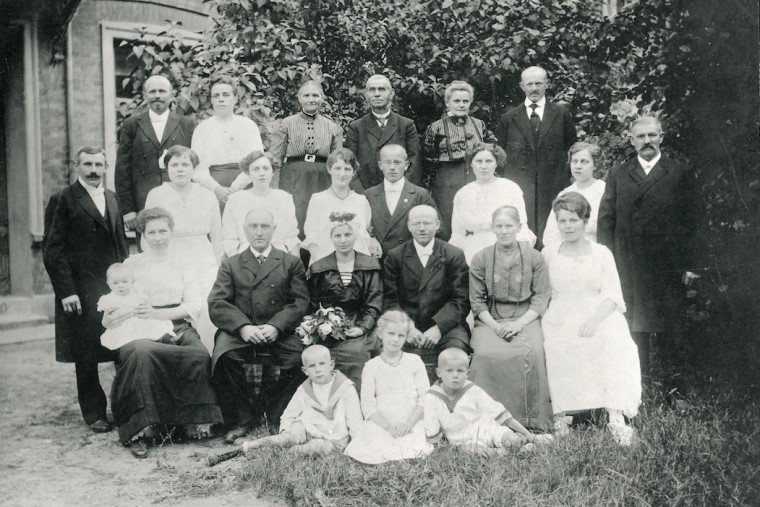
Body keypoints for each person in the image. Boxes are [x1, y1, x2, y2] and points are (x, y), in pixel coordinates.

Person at [104, 207, 223, 459]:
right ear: (143, 236)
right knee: (142, 352)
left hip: (176, 322)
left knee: (198, 354)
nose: (157, 237)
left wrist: (159, 315)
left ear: (171, 232)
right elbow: (117, 299)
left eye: (162, 231)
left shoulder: (183, 262)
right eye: (151, 232)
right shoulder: (131, 263)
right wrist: (117, 315)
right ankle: (144, 426)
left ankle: (190, 422)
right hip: (138, 324)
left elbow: (193, 305)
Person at [597, 117, 698, 386]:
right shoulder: (619, 173)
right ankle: (635, 383)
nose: (647, 141)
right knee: (632, 325)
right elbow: (606, 219)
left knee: (671, 325)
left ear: (661, 137)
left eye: (652, 135)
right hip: (628, 262)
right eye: (641, 137)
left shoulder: (679, 171)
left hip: (668, 263)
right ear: (632, 140)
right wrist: (604, 262)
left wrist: (691, 264)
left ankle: (674, 385)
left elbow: (693, 221)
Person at [542, 192, 641, 445]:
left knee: (612, 340)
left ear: (585, 221)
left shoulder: (601, 253)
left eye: (573, 220)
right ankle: (563, 415)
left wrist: (594, 321)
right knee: (558, 343)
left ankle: (615, 415)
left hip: (599, 312)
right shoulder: (549, 253)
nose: (568, 226)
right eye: (562, 221)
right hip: (561, 312)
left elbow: (612, 295)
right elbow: (542, 293)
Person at [42, 146, 129, 433]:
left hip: (112, 288)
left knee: (121, 346)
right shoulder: (63, 200)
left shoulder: (113, 198)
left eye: (99, 164)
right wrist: (66, 290)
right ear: (76, 166)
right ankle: (94, 413)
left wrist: (127, 282)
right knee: (86, 353)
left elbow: (121, 246)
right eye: (88, 164)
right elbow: (53, 250)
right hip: (79, 289)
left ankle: (126, 408)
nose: (93, 169)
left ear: (106, 167)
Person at [209, 209, 311, 443]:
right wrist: (243, 327)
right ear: (245, 230)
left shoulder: (291, 262)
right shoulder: (231, 264)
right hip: (242, 330)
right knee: (225, 357)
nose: (259, 232)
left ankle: (276, 413)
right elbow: (217, 302)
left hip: (280, 330)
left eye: (265, 226)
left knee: (298, 359)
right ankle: (244, 418)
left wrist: (276, 326)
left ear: (274, 230)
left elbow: (301, 301)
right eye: (253, 226)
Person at [468, 205, 553, 431]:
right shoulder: (481, 258)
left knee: (533, 352)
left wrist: (519, 324)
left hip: (526, 317)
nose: (504, 231)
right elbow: (476, 301)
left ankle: (531, 420)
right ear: (492, 228)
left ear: (519, 227)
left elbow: (541, 297)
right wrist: (495, 327)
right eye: (499, 226)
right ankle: (484, 421)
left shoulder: (535, 257)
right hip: (490, 318)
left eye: (509, 226)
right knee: (484, 354)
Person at [144, 145, 222, 352]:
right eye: (174, 164)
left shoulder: (207, 195)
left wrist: (219, 266)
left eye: (185, 164)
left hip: (203, 259)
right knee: (174, 309)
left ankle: (208, 360)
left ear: (194, 168)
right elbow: (148, 232)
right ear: (167, 168)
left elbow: (217, 235)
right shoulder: (156, 194)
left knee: (207, 308)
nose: (180, 169)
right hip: (169, 257)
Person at [236, 345, 363, 456]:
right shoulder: (304, 389)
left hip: (332, 438)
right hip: (307, 429)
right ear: (305, 371)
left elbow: (355, 421)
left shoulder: (345, 388)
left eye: (322, 364)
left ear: (331, 365)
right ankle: (250, 445)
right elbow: (289, 413)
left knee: (316, 448)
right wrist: (286, 431)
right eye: (312, 366)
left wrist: (357, 445)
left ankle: (288, 450)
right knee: (289, 436)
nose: (318, 370)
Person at [497, 66, 577, 240]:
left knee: (553, 237)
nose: (534, 88)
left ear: (546, 84)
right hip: (521, 190)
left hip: (553, 188)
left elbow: (573, 152)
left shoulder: (562, 115)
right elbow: (501, 160)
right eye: (529, 84)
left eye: (538, 83)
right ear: (521, 86)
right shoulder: (508, 119)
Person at [344, 310, 433, 464]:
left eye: (401, 335)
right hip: (382, 421)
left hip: (410, 419)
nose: (395, 339)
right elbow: (367, 405)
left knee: (411, 445)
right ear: (380, 333)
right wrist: (388, 427)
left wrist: (409, 423)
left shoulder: (414, 361)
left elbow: (425, 397)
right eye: (391, 333)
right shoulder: (371, 366)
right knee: (373, 445)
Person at [424, 349, 552, 454]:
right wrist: (440, 448)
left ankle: (525, 440)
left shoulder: (473, 390)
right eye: (449, 370)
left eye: (460, 371)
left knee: (510, 439)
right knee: (471, 450)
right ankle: (508, 453)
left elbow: (500, 413)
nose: (455, 375)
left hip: (487, 429)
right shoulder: (432, 397)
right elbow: (432, 428)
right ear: (438, 372)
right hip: (463, 439)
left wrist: (530, 435)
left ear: (468, 373)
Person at [383, 205, 470, 353]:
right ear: (409, 226)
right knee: (386, 350)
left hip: (447, 327)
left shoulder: (453, 254)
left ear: (437, 225)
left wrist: (438, 328)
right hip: (406, 326)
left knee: (456, 351)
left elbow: (461, 300)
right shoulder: (395, 256)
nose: (422, 228)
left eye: (427, 223)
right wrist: (407, 328)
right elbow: (390, 300)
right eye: (416, 223)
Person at [307, 219, 382, 388]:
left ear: (355, 236)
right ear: (331, 238)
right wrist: (322, 324)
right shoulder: (319, 268)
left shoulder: (370, 266)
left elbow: (374, 301)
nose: (343, 240)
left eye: (347, 234)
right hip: (327, 326)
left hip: (361, 322)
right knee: (322, 356)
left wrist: (362, 327)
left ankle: (357, 405)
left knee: (357, 354)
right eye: (338, 235)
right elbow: (313, 303)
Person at [115, 75, 195, 231]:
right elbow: (122, 170)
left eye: (162, 91)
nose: (157, 95)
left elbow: (196, 166)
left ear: (171, 95)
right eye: (152, 91)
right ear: (145, 96)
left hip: (180, 199)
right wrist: (128, 209)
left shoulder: (186, 124)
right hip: (143, 203)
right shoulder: (131, 125)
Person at [422, 80, 499, 236]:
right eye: (456, 101)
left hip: (474, 176)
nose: (461, 105)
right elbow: (428, 157)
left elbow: (491, 149)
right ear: (448, 103)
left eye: (465, 101)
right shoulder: (436, 127)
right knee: (449, 219)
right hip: (447, 179)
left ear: (470, 103)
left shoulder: (479, 124)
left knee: (477, 219)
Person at [269, 80, 343, 236]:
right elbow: (275, 160)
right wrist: (274, 191)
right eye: (306, 95)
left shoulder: (333, 127)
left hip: (322, 177)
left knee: (322, 222)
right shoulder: (286, 124)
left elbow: (338, 163)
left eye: (315, 95)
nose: (311, 99)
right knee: (296, 220)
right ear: (299, 98)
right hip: (294, 177)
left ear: (322, 98)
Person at [449, 143, 536, 263]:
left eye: (489, 161)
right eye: (479, 161)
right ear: (471, 164)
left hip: (507, 248)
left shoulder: (510, 188)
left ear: (496, 163)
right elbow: (458, 232)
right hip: (474, 251)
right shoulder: (463, 194)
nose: (484, 166)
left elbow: (522, 225)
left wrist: (519, 255)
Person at [191, 75, 265, 206]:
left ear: (235, 98)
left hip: (244, 185)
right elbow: (198, 167)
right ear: (211, 100)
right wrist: (216, 189)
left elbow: (255, 161)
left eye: (226, 95)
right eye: (216, 96)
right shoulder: (202, 128)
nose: (221, 100)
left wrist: (234, 189)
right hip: (212, 189)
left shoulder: (248, 125)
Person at [302, 148, 381, 264]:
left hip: (357, 268)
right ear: (329, 169)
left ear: (354, 172)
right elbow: (311, 237)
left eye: (347, 169)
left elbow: (365, 234)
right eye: (337, 168)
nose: (342, 174)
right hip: (326, 267)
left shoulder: (361, 201)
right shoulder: (318, 199)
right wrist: (324, 266)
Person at [345, 75, 422, 192]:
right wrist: (362, 195)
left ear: (391, 93)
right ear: (366, 94)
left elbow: (414, 163)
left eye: (381, 89)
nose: (376, 94)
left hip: (399, 193)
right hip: (365, 194)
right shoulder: (356, 127)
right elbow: (349, 165)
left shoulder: (406, 125)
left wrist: (403, 192)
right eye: (372, 90)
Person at [364, 144, 444, 254]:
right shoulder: (369, 195)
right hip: (379, 261)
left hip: (409, 261)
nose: (392, 167)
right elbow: (361, 228)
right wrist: (370, 239)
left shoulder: (420, 195)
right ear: (380, 165)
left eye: (397, 162)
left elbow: (438, 230)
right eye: (387, 162)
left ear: (406, 165)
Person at [222, 150, 300, 256]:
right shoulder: (236, 200)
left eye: (266, 168)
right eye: (256, 169)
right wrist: (237, 268)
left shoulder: (284, 198)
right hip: (245, 256)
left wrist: (297, 269)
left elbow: (291, 238)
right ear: (248, 174)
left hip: (279, 257)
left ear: (273, 172)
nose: (262, 173)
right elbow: (230, 239)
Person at [542, 142, 606, 249]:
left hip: (594, 250)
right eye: (574, 161)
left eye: (584, 162)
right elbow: (551, 233)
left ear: (595, 165)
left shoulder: (604, 191)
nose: (578, 166)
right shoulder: (565, 194)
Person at [97, 263, 174, 351]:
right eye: (115, 283)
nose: (120, 286)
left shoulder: (136, 294)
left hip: (139, 320)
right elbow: (107, 313)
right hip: (122, 324)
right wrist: (110, 310)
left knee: (154, 328)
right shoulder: (109, 299)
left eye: (125, 282)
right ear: (109, 284)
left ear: (132, 282)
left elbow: (145, 304)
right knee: (127, 338)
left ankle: (164, 339)